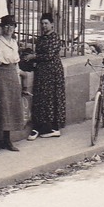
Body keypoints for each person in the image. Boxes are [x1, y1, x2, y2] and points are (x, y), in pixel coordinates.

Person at [0, 14, 25, 152]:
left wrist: (18, 80)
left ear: (14, 28)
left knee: (11, 109)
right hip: (1, 77)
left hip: (12, 77)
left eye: (11, 25)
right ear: (2, 28)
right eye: (6, 25)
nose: (9, 28)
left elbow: (17, 64)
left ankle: (7, 141)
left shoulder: (14, 43)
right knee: (0, 109)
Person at [27, 10, 66, 139]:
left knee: (51, 98)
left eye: (46, 23)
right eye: (42, 23)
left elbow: (49, 54)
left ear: (52, 25)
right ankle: (39, 127)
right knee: (41, 98)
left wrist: (34, 56)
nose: (44, 26)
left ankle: (53, 128)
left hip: (52, 72)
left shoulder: (55, 37)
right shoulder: (41, 38)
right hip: (42, 71)